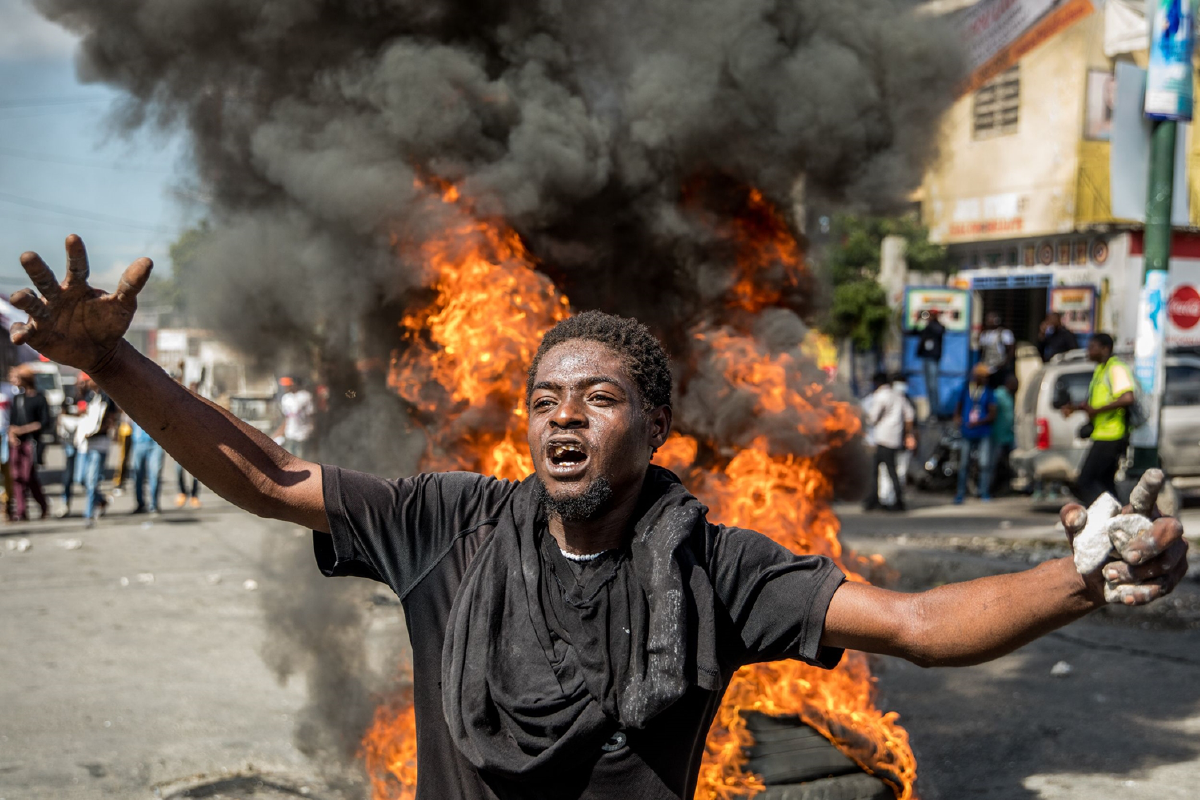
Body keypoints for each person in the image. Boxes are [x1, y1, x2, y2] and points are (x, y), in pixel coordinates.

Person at [8, 236, 1189, 800]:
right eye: (545, 398)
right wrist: (115, 370)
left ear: (659, 429)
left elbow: (923, 618)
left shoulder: (720, 565)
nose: (564, 416)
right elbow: (266, 475)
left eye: (600, 397)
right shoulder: (448, 522)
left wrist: (1083, 574)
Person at [1063, 333, 1135, 506]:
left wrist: (1096, 410)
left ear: (1105, 349)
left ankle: (1106, 516)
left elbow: (1127, 398)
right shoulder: (1100, 370)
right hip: (1102, 432)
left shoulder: (1115, 368)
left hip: (1112, 435)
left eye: (1092, 347)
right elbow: (1098, 401)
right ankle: (1119, 516)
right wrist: (1077, 408)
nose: (1088, 351)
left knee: (1085, 481)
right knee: (1105, 482)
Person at [862, 372, 914, 512]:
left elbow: (872, 418)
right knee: (891, 471)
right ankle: (893, 499)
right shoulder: (898, 396)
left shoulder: (880, 396)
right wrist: (906, 434)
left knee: (877, 471)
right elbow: (909, 415)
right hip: (894, 439)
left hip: (882, 439)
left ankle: (876, 500)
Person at [75, 375, 119, 527]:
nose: (85, 382)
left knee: (92, 480)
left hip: (99, 443)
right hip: (84, 444)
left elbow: (110, 421)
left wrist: (96, 431)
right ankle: (101, 500)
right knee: (80, 478)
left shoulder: (107, 397)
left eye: (87, 379)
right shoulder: (88, 396)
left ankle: (88, 515)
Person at [953, 363, 998, 504]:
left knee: (984, 464)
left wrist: (978, 422)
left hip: (983, 432)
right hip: (967, 432)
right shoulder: (966, 391)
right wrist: (958, 419)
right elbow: (958, 407)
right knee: (964, 464)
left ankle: (984, 492)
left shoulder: (989, 393)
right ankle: (960, 494)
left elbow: (992, 414)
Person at [274, 376, 316, 460]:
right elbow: (287, 418)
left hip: (303, 435)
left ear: (294, 385)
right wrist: (278, 433)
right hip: (290, 435)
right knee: (291, 461)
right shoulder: (286, 398)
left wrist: (313, 431)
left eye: (288, 385)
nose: (285, 387)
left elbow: (312, 415)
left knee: (303, 460)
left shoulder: (306, 396)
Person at [989, 373, 1018, 497]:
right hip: (998, 436)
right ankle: (991, 489)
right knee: (993, 463)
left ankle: (1004, 487)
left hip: (1008, 436)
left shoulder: (1009, 396)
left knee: (1007, 464)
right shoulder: (998, 394)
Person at [129, 419, 165, 514]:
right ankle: (140, 504)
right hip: (139, 441)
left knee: (155, 473)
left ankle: (154, 504)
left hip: (157, 442)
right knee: (138, 474)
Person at [914, 309, 945, 418]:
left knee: (933, 386)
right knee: (928, 386)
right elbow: (913, 332)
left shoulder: (937, 326)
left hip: (933, 358)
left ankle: (935, 412)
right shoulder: (926, 327)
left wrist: (931, 320)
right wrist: (917, 320)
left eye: (931, 315)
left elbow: (940, 331)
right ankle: (932, 410)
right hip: (925, 357)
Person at [978, 312, 1015, 389]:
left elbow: (1011, 350)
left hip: (1001, 368)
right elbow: (981, 351)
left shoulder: (1004, 333)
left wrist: (1004, 364)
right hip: (987, 368)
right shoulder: (984, 335)